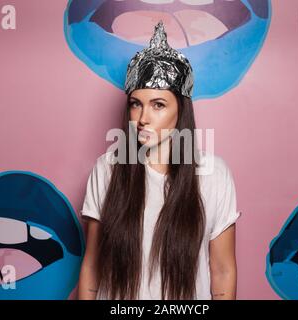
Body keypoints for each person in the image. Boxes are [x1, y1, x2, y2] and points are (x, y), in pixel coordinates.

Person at [78, 21, 241, 300]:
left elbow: (223, 270)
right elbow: (92, 267)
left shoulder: (213, 175)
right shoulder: (107, 170)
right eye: (136, 103)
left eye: (158, 105)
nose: (143, 118)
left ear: (181, 110)